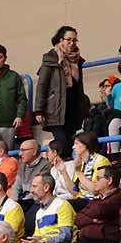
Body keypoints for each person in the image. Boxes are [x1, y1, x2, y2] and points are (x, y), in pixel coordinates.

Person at [35, 26, 87, 154]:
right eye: (68, 40)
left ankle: (67, 169)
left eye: (74, 40)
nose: (72, 43)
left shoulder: (77, 61)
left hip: (72, 108)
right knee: (61, 142)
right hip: (55, 109)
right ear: (60, 40)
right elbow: (42, 86)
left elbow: (78, 86)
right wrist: (39, 110)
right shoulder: (50, 60)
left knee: (71, 143)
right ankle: (59, 167)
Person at [19, 174, 75, 243]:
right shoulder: (39, 212)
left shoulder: (62, 205)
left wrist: (42, 242)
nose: (31, 190)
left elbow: (66, 236)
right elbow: (38, 237)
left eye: (34, 186)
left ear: (46, 187)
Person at [12, 139, 51, 206]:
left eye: (23, 150)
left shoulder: (45, 165)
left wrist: (21, 202)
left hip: (36, 202)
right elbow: (16, 187)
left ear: (34, 152)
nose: (20, 154)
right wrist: (13, 203)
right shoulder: (22, 166)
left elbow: (36, 190)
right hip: (23, 201)